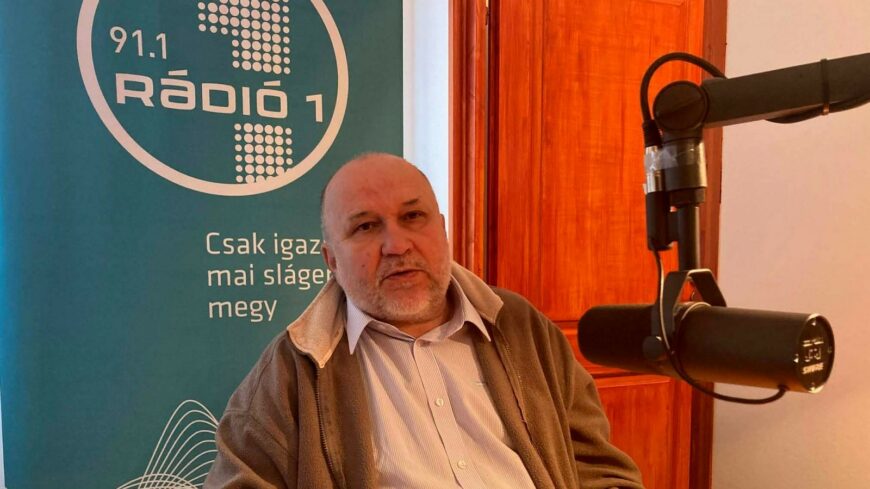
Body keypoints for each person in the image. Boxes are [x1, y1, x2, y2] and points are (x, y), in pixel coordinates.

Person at [204, 153, 645, 489]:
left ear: (443, 229)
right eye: (365, 227)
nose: (397, 245)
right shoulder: (291, 373)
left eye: (413, 217)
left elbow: (599, 469)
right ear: (331, 260)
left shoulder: (523, 329)